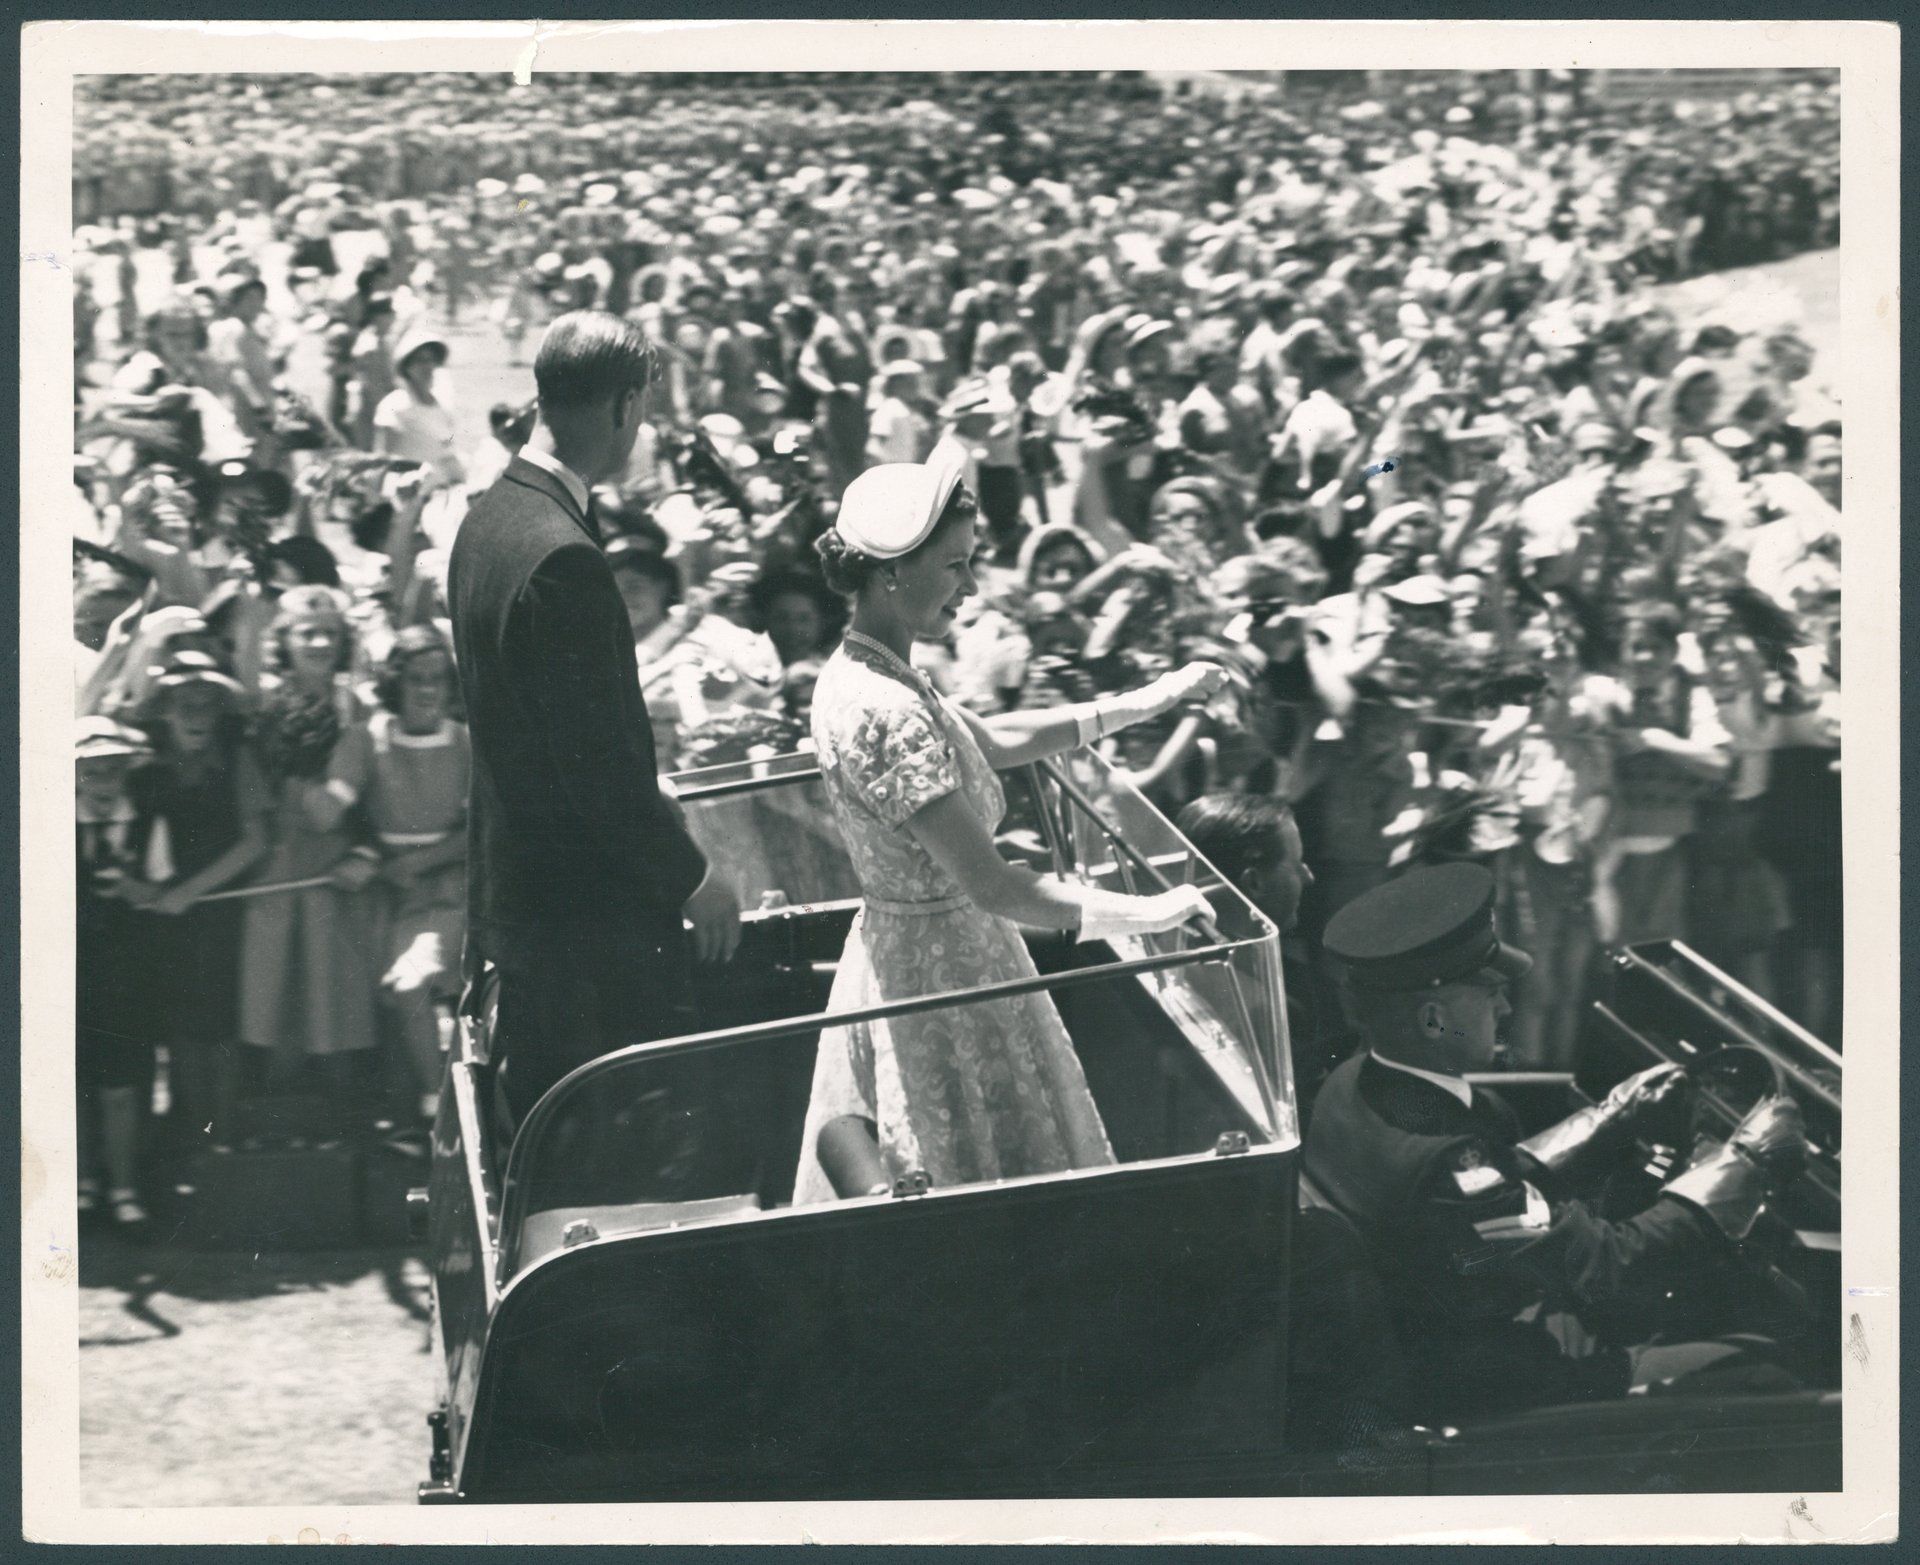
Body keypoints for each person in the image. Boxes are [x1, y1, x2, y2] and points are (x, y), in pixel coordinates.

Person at [791, 449, 1228, 1204]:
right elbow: (992, 884)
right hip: (946, 977)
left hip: (926, 953)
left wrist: (1151, 699)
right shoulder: (882, 707)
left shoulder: (872, 665)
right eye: (955, 565)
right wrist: (1145, 912)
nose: (970, 585)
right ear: (893, 570)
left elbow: (989, 738)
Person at [1302, 862, 1813, 1425]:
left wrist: (1614, 1117)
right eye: (1491, 993)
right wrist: (1747, 1163)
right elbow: (1606, 1267)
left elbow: (1499, 1187)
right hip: (1498, 1386)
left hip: (1455, 1347)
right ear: (1432, 1019)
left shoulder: (1356, 1081)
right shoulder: (1446, 1163)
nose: (1506, 1009)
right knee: (1768, 1363)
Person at [448, 311, 741, 1129]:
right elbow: (597, 776)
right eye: (642, 409)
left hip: (525, 904)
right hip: (580, 928)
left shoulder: (490, 516)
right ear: (619, 406)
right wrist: (695, 877)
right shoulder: (562, 555)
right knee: (606, 1158)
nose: (640, 429)